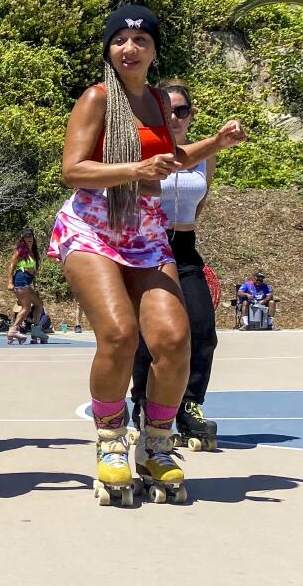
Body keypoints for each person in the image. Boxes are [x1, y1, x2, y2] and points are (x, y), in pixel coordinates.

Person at [49, 5, 246, 505]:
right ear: (109, 50)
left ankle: (156, 445)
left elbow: (170, 160)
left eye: (140, 41)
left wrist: (215, 143)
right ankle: (112, 442)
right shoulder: (96, 99)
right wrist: (135, 171)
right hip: (92, 228)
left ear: (155, 51)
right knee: (118, 333)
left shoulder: (158, 101)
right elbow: (74, 171)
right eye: (120, 40)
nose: (130, 49)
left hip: (145, 233)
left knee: (174, 338)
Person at [130, 81, 221, 451]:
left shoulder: (205, 155)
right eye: (167, 111)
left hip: (184, 248)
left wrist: (183, 231)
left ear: (191, 115)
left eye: (182, 111)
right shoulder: (145, 151)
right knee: (148, 335)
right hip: (148, 246)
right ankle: (141, 405)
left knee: (203, 330)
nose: (174, 117)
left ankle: (189, 405)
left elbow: (200, 201)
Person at [6, 228, 47, 344]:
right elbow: (11, 266)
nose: (29, 239)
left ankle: (36, 329)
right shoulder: (20, 251)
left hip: (27, 281)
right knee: (26, 307)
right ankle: (14, 330)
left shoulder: (32, 251)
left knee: (39, 304)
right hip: (20, 279)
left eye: (30, 236)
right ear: (22, 239)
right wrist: (10, 282)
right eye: (26, 237)